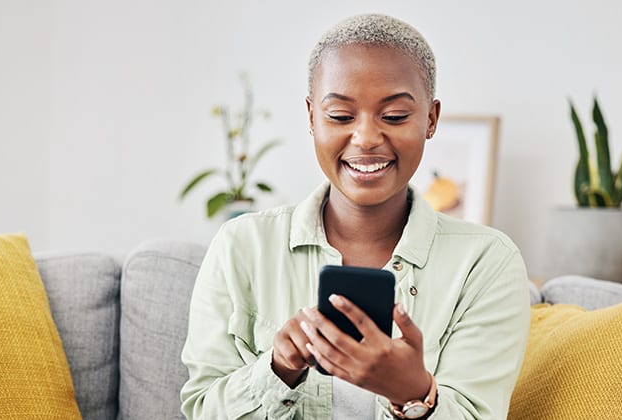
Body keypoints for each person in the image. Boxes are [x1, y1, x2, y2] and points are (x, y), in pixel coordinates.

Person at [180, 13, 530, 420]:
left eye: (395, 116)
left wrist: (414, 394)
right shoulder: (240, 246)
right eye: (341, 117)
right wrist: (278, 369)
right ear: (311, 117)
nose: (366, 138)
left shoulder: (486, 263)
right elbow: (202, 409)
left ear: (431, 119)